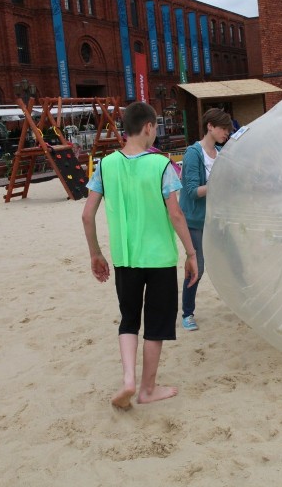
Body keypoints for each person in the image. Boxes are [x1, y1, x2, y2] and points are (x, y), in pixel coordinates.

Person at [81, 101, 198, 409]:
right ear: (148, 127)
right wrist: (191, 252)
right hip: (158, 260)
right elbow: (175, 214)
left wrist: (96, 253)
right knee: (157, 324)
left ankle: (128, 380)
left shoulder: (106, 164)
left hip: (124, 259)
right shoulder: (161, 165)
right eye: (155, 127)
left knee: (129, 320)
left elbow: (87, 215)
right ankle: (147, 389)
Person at [179, 108, 233, 330]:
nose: (226, 133)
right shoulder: (194, 153)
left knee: (235, 261)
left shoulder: (221, 153)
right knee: (197, 267)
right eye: (222, 128)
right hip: (195, 220)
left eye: (228, 130)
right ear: (209, 126)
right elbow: (191, 191)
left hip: (218, 219)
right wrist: (217, 185)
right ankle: (187, 313)